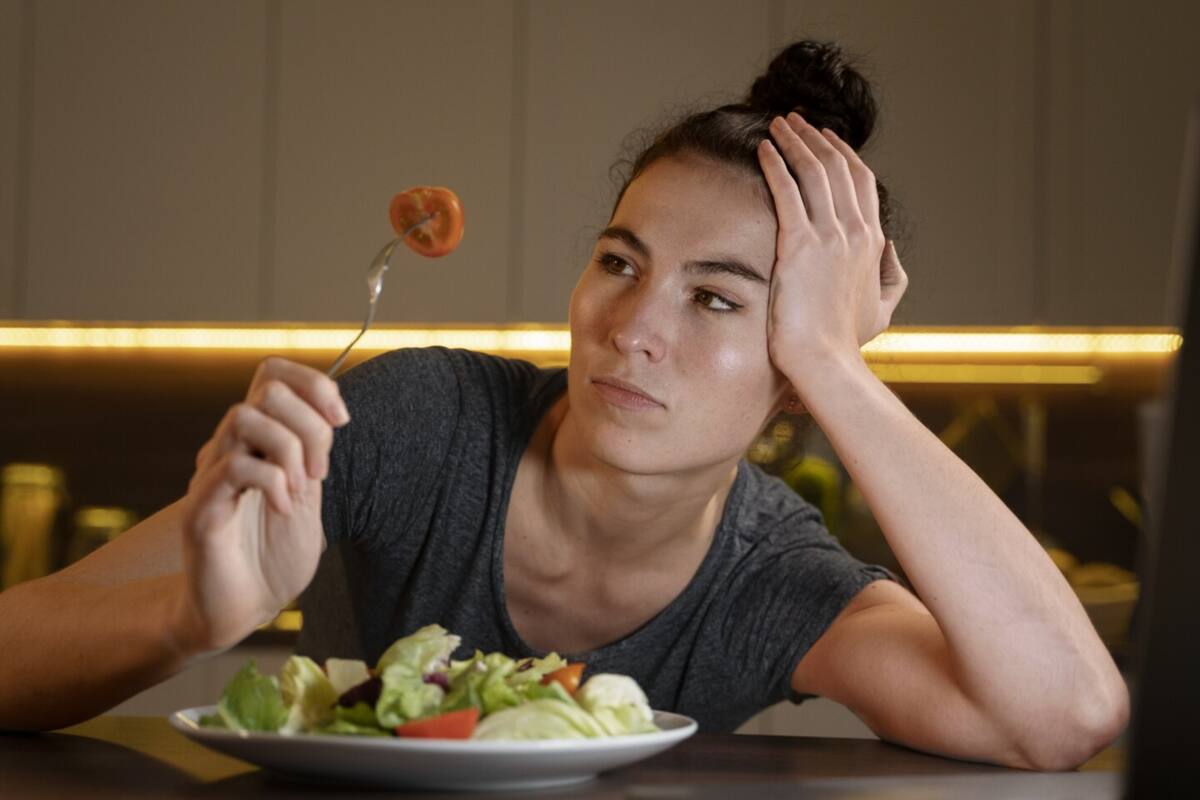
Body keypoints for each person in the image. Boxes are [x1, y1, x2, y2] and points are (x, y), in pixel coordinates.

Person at [0, 40, 1127, 769]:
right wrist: (191, 622)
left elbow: (1068, 714)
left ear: (792, 368)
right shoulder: (417, 424)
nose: (632, 326)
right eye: (620, 261)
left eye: (718, 300)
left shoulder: (772, 580)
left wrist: (840, 367)